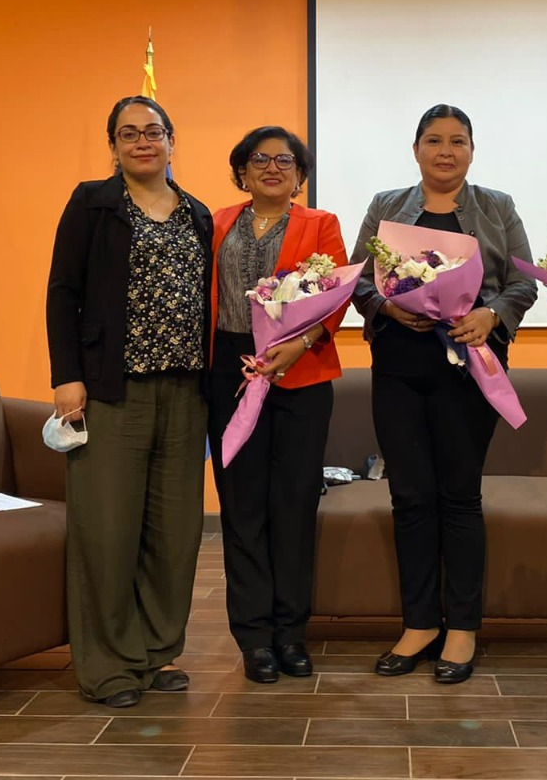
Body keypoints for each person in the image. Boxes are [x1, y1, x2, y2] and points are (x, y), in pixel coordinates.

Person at [349, 103, 537, 685]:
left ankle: (462, 627)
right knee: (409, 497)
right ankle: (420, 623)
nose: (446, 151)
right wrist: (386, 304)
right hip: (400, 367)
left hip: (471, 367)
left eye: (458, 141)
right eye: (434, 140)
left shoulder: (496, 206)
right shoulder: (386, 206)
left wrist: (492, 315)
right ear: (416, 150)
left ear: (472, 151)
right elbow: (356, 280)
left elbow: (525, 281)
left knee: (458, 497)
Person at [46, 95, 213, 708]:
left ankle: (151, 650)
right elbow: (63, 292)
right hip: (112, 391)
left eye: (153, 131)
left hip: (186, 391)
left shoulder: (198, 213)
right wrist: (67, 376)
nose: (142, 141)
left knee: (173, 532)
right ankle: (107, 667)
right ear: (112, 145)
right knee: (108, 530)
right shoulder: (93, 203)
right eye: (128, 133)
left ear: (173, 140)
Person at [206, 126, 350, 684]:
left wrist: (297, 344)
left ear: (299, 174)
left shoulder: (321, 225)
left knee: (293, 506)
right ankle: (254, 638)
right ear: (241, 170)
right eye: (258, 160)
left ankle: (291, 633)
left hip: (300, 372)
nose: (271, 167)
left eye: (284, 160)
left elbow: (334, 298)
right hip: (230, 371)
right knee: (241, 508)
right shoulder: (215, 223)